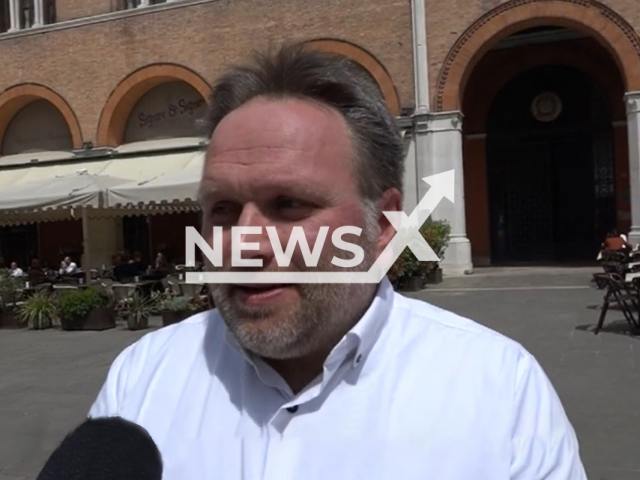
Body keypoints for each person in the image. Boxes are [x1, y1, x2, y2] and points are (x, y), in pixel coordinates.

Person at [88, 43, 586, 479]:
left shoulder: (497, 388)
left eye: (289, 205)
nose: (245, 243)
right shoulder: (143, 378)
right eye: (222, 208)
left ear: (385, 225)